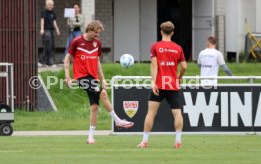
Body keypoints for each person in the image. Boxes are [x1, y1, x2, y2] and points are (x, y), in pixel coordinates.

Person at [64, 20, 134, 144]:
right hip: (81, 77)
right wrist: (68, 77)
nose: (98, 35)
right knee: (102, 93)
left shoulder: (97, 43)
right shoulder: (76, 42)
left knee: (95, 107)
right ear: (90, 30)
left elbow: (97, 62)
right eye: (96, 33)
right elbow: (67, 58)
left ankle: (90, 137)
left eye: (99, 33)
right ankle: (118, 120)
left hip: (93, 78)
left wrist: (102, 79)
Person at [137, 21, 187, 149]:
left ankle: (145, 141)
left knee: (151, 113)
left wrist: (153, 82)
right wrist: (179, 78)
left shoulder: (155, 46)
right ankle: (178, 141)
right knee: (177, 113)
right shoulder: (178, 48)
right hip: (172, 84)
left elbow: (154, 65)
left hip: (158, 85)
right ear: (173, 32)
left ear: (161, 32)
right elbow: (184, 67)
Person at [39, 0, 60, 68]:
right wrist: (42, 29)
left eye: (52, 5)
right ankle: (48, 62)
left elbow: (54, 22)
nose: (51, 6)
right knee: (48, 46)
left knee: (51, 46)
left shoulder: (53, 12)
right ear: (46, 5)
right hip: (46, 30)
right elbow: (42, 21)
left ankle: (45, 62)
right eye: (49, 5)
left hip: (51, 31)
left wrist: (57, 29)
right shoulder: (44, 12)